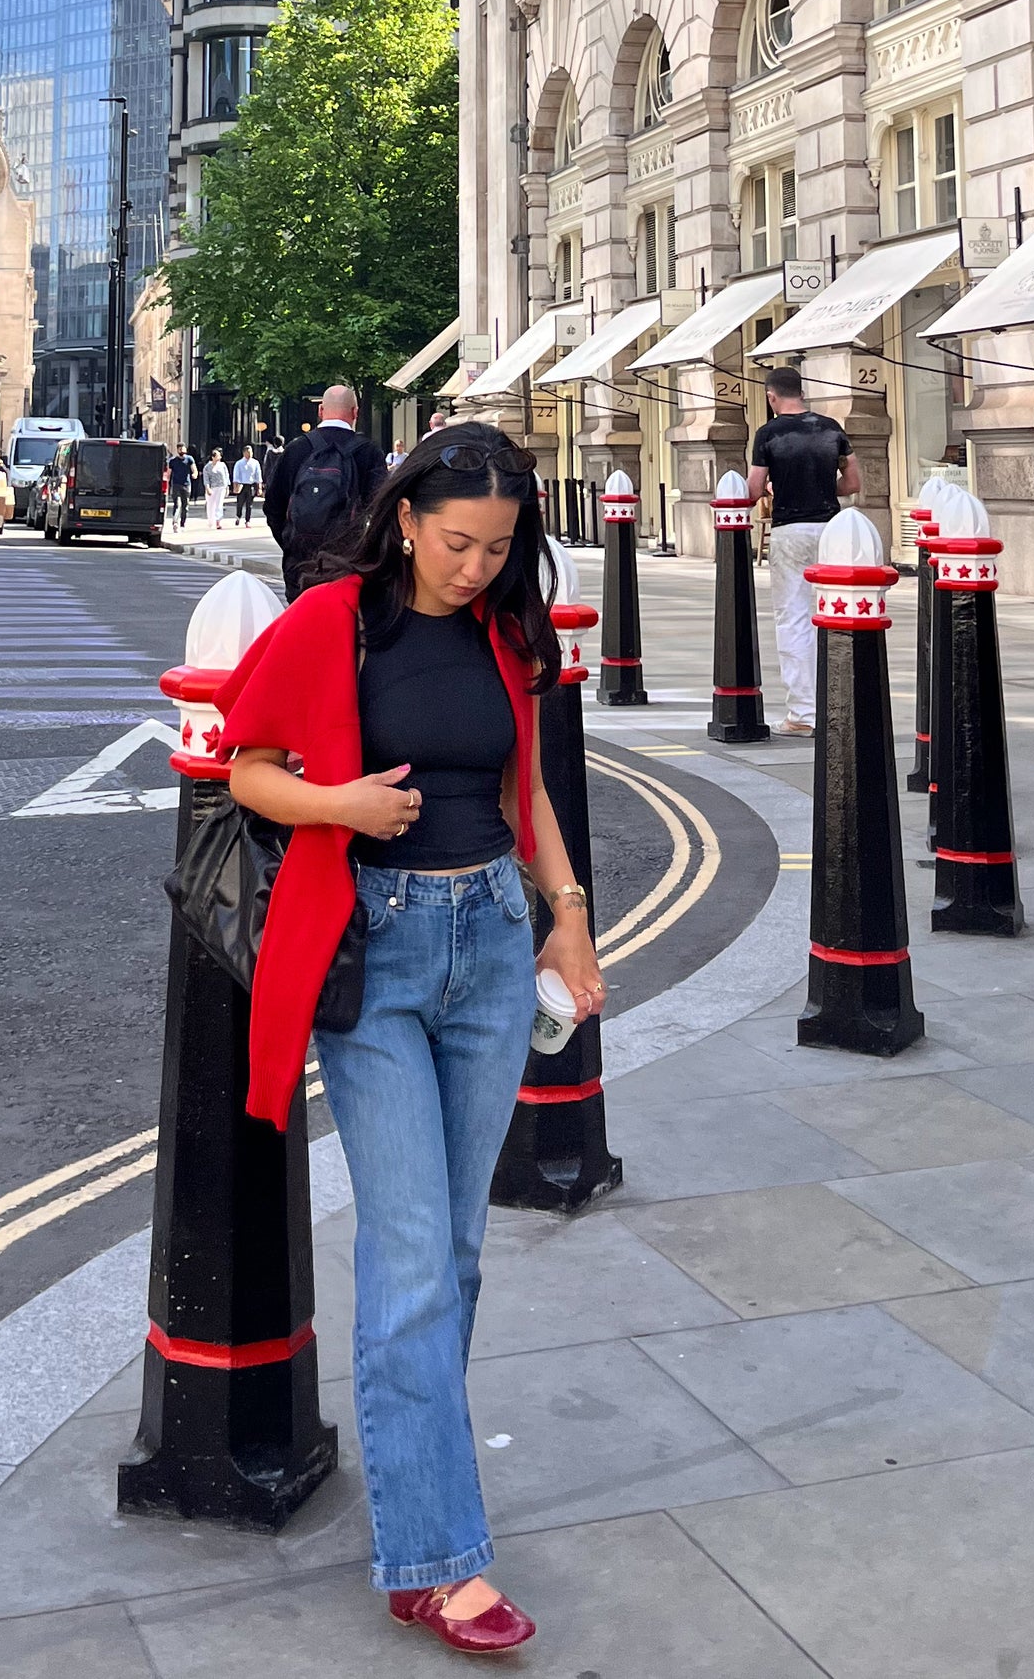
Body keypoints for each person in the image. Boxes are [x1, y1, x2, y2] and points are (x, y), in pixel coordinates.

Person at [224, 422, 604, 1654]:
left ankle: (419, 1497)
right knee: (408, 1258)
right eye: (456, 543)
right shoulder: (330, 622)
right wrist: (337, 802)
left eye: (498, 547)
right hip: (376, 955)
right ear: (403, 521)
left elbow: (523, 790)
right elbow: (249, 769)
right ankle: (439, 1558)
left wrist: (567, 920)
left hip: (491, 939)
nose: (476, 567)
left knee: (455, 1250)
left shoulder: (502, 629)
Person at [747, 365, 861, 736]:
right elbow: (854, 482)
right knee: (837, 616)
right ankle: (844, 705)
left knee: (793, 618)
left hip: (791, 531)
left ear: (771, 396)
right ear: (802, 392)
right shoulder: (831, 428)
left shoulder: (769, 434)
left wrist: (768, 492)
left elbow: (751, 489)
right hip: (833, 529)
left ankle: (803, 714)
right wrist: (826, 492)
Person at [264, 384, 389, 600]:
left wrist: (292, 542)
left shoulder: (296, 450)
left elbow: (273, 507)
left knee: (301, 628)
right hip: (349, 565)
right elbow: (383, 511)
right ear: (355, 413)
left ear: (320, 410)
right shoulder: (369, 452)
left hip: (301, 566)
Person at [231, 444, 263, 525]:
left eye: (251, 452)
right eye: (248, 452)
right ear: (244, 453)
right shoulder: (239, 463)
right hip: (241, 485)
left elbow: (258, 475)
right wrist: (235, 486)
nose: (250, 454)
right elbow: (236, 475)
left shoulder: (255, 463)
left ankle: (247, 520)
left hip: (251, 485)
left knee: (249, 504)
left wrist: (259, 487)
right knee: (240, 503)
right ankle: (238, 516)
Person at [167, 446, 195, 530]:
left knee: (185, 505)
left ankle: (183, 523)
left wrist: (195, 474)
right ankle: (175, 522)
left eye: (183, 449)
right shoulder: (173, 461)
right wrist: (167, 484)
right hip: (176, 485)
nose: (182, 451)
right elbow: (169, 473)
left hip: (186, 485)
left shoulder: (189, 459)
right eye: (180, 449)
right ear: (177, 450)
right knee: (177, 504)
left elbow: (194, 469)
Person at [202, 448, 229, 530]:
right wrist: (207, 488)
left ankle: (218, 521)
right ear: (213, 457)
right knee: (210, 505)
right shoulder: (207, 467)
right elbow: (206, 479)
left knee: (219, 504)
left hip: (221, 487)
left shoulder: (222, 465)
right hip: (212, 488)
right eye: (217, 456)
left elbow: (226, 476)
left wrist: (227, 487)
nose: (219, 458)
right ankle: (210, 521)